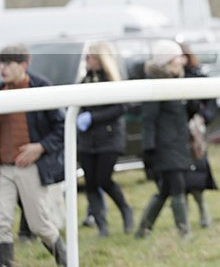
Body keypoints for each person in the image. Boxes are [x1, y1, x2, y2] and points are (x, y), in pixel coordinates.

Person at [0, 44, 66, 266]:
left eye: (7, 63)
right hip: (3, 168)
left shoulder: (41, 87)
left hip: (30, 167)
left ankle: (66, 260)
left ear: (24, 65)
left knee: (40, 225)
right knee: (1, 223)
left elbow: (62, 127)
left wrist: (40, 147)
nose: (2, 68)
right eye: (1, 63)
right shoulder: (1, 89)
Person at [135, 39, 193, 239]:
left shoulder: (175, 82)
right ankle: (184, 232)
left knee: (165, 190)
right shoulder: (157, 85)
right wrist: (148, 149)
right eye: (178, 57)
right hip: (164, 146)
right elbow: (148, 119)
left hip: (176, 144)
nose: (182, 61)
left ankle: (143, 229)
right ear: (168, 61)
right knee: (177, 186)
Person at [76, 42, 134, 237]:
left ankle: (126, 210)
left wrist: (93, 118)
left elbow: (120, 108)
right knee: (90, 183)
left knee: (104, 179)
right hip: (87, 140)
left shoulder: (112, 81)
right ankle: (102, 226)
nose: (86, 61)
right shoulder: (85, 80)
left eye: (90, 57)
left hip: (108, 138)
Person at [180, 43, 219, 229]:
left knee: (196, 173)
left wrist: (204, 117)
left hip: (195, 133)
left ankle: (202, 209)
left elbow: (211, 101)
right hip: (177, 133)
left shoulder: (197, 75)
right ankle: (184, 216)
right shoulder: (170, 77)